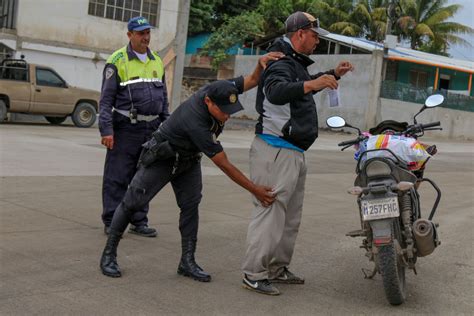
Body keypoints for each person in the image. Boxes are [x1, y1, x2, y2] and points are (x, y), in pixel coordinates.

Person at [99, 52, 284, 281]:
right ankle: (108, 255)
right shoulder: (195, 121)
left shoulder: (222, 89)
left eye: (230, 111)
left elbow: (253, 80)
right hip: (163, 157)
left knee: (190, 207)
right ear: (208, 101)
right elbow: (224, 164)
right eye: (223, 111)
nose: (227, 116)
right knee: (131, 203)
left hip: (188, 159)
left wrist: (259, 65)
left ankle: (187, 261)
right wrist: (255, 189)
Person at [241, 11, 354, 295]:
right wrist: (315, 83)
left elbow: (299, 87)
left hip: (292, 151)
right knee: (270, 213)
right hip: (275, 149)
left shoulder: (294, 62)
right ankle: (254, 273)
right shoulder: (278, 59)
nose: (318, 42)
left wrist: (331, 75)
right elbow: (277, 91)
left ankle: (277, 268)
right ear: (300, 33)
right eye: (315, 36)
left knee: (290, 216)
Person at [99, 16, 168, 238]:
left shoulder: (157, 60)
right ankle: (111, 220)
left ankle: (139, 221)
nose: (146, 37)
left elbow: (163, 99)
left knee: (145, 177)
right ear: (130, 35)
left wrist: (166, 127)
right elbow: (106, 100)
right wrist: (106, 130)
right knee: (117, 176)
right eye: (140, 33)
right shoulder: (117, 60)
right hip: (125, 128)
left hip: (152, 129)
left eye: (148, 32)